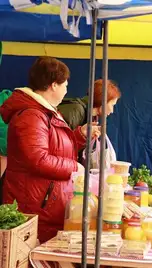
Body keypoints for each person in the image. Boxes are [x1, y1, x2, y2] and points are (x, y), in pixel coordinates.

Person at [0, 56, 100, 243]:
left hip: (44, 204)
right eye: (65, 85)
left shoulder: (44, 111)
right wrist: (74, 167)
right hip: (34, 205)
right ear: (54, 85)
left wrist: (79, 136)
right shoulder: (31, 115)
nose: (66, 90)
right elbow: (38, 159)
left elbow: (54, 149)